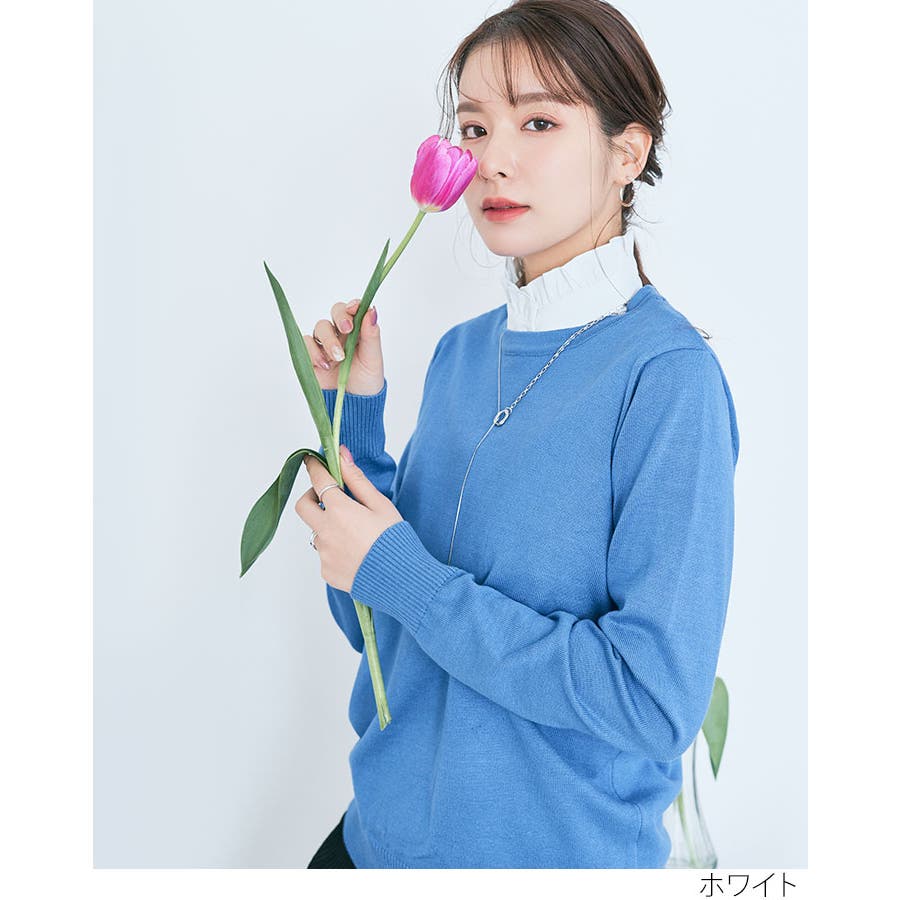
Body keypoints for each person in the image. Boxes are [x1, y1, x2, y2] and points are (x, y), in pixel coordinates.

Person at [298, 0, 739, 869]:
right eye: (473, 127)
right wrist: (355, 411)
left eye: (538, 121)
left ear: (628, 152)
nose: (492, 160)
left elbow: (652, 701)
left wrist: (410, 579)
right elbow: (376, 626)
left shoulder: (668, 379)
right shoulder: (462, 354)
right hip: (370, 847)